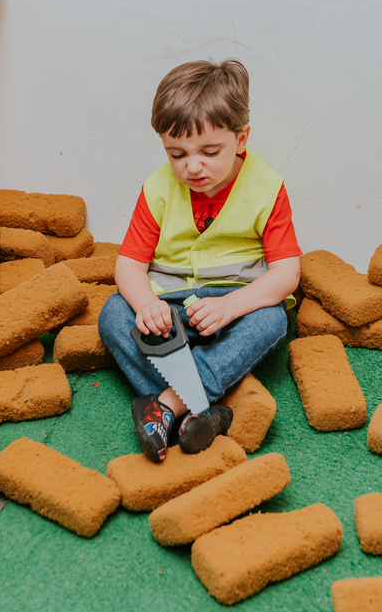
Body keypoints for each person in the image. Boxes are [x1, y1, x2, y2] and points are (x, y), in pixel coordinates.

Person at [98, 60, 302, 462]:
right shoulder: (157, 188)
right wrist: (146, 305)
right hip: (170, 304)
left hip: (233, 305)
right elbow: (129, 267)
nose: (193, 166)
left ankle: (164, 409)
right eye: (177, 154)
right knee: (112, 314)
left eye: (210, 152)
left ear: (241, 139)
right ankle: (200, 414)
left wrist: (231, 306)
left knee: (274, 319)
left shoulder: (268, 188)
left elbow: (287, 273)